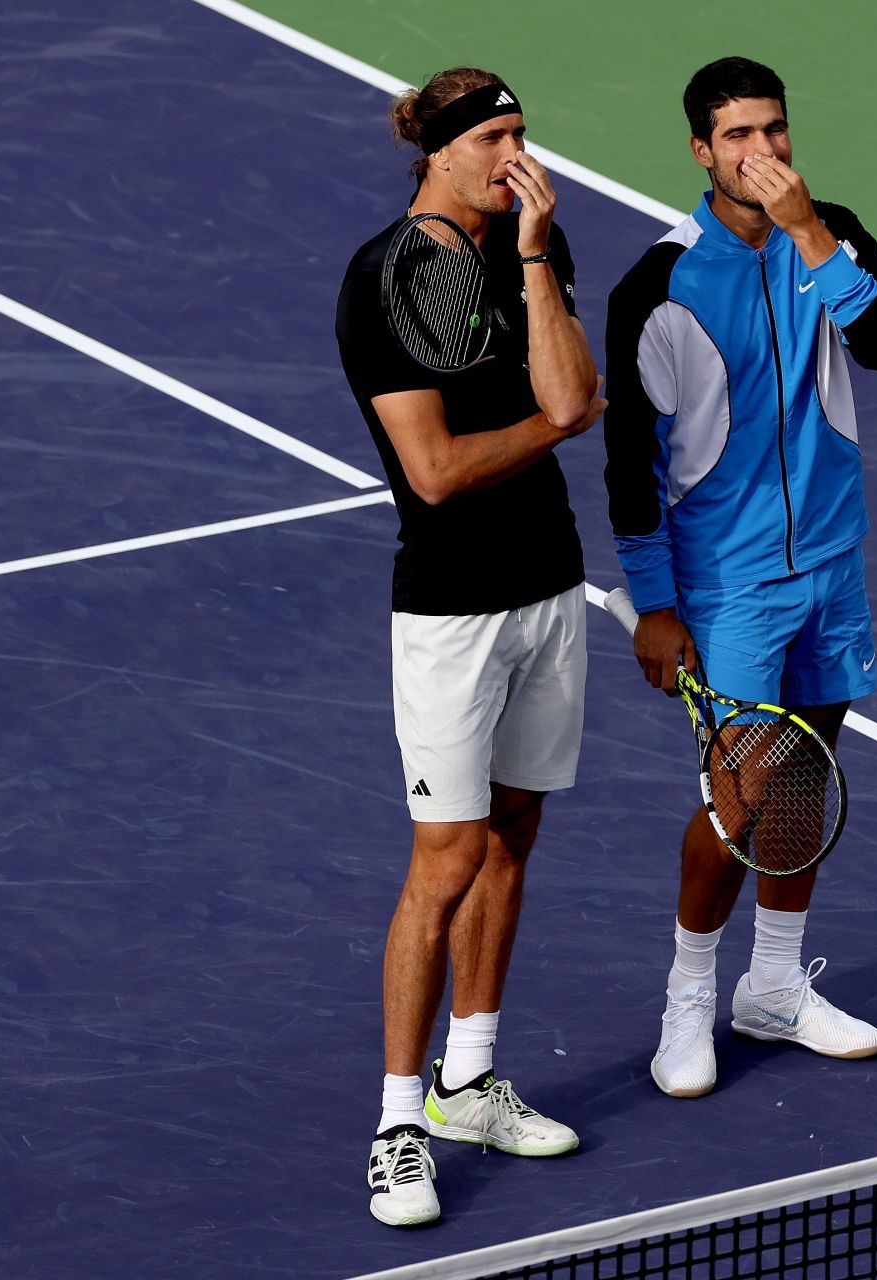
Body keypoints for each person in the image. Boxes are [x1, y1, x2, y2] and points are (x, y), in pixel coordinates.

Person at [602, 56, 877, 1099]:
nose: (763, 153)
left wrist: (814, 235)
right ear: (701, 151)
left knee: (809, 773)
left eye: (774, 131)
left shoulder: (834, 232)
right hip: (726, 582)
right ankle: (690, 995)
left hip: (830, 559)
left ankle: (773, 985)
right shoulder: (658, 284)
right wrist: (654, 601)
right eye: (738, 136)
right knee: (741, 794)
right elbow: (629, 464)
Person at [334, 66, 604, 1227]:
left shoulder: (531, 245)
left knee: (515, 836)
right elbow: (437, 475)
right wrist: (551, 421)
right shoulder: (383, 282)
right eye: (496, 136)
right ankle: (399, 1123)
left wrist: (538, 256)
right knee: (444, 859)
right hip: (452, 611)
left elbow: (576, 390)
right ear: (439, 153)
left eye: (522, 133)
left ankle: (469, 1076)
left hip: (551, 587)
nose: (517, 154)